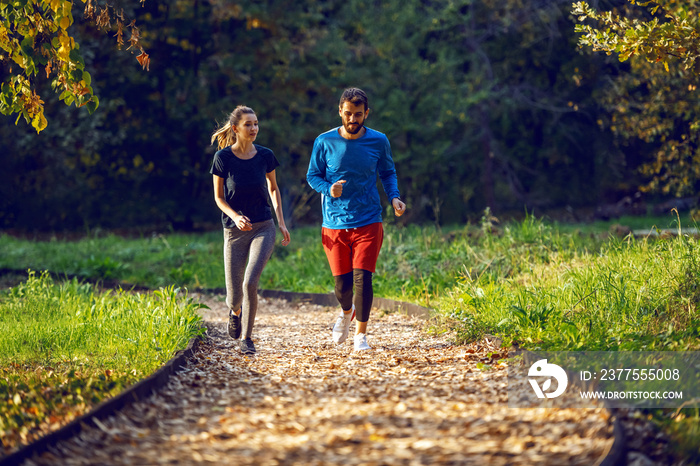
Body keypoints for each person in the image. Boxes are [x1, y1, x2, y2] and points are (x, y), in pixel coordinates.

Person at [306, 87, 406, 352]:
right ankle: (346, 311)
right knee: (342, 286)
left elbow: (387, 172)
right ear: (340, 111)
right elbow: (313, 176)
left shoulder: (378, 141)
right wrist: (329, 189)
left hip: (368, 219)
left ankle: (361, 336)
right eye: (348, 114)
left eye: (358, 115)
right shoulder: (324, 141)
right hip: (334, 223)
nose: (352, 119)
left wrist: (394, 197)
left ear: (366, 114)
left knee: (364, 278)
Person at [210, 105, 291, 355]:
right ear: (236, 128)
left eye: (256, 123)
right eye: (248, 124)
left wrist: (281, 221)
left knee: (250, 282)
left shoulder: (265, 155)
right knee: (234, 297)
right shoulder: (223, 158)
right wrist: (235, 217)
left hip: (263, 227)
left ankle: (247, 338)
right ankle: (235, 312)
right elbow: (218, 197)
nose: (254, 128)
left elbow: (274, 188)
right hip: (234, 232)